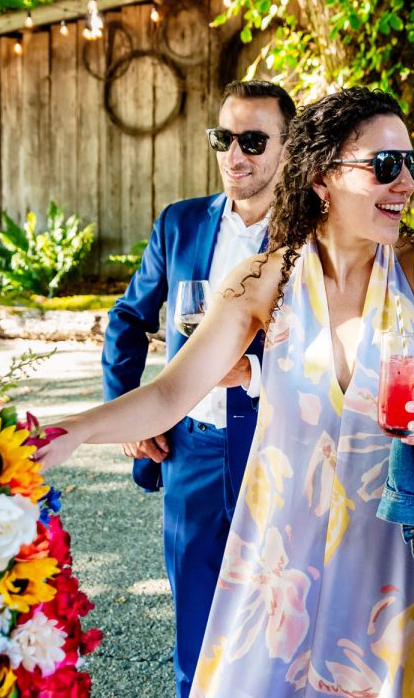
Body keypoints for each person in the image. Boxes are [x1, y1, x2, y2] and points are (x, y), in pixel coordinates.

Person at [40, 87, 414, 698]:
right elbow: (172, 393)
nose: (406, 182)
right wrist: (76, 430)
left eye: (413, 163)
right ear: (324, 178)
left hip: (401, 571)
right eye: (385, 166)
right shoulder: (264, 281)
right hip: (283, 569)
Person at [100, 79, 295, 698]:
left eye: (254, 140)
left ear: (288, 149)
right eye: (224, 138)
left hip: (277, 447)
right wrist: (128, 413)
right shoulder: (179, 223)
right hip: (192, 449)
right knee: (195, 623)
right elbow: (128, 319)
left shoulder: (312, 234)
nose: (235, 154)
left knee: (275, 616)